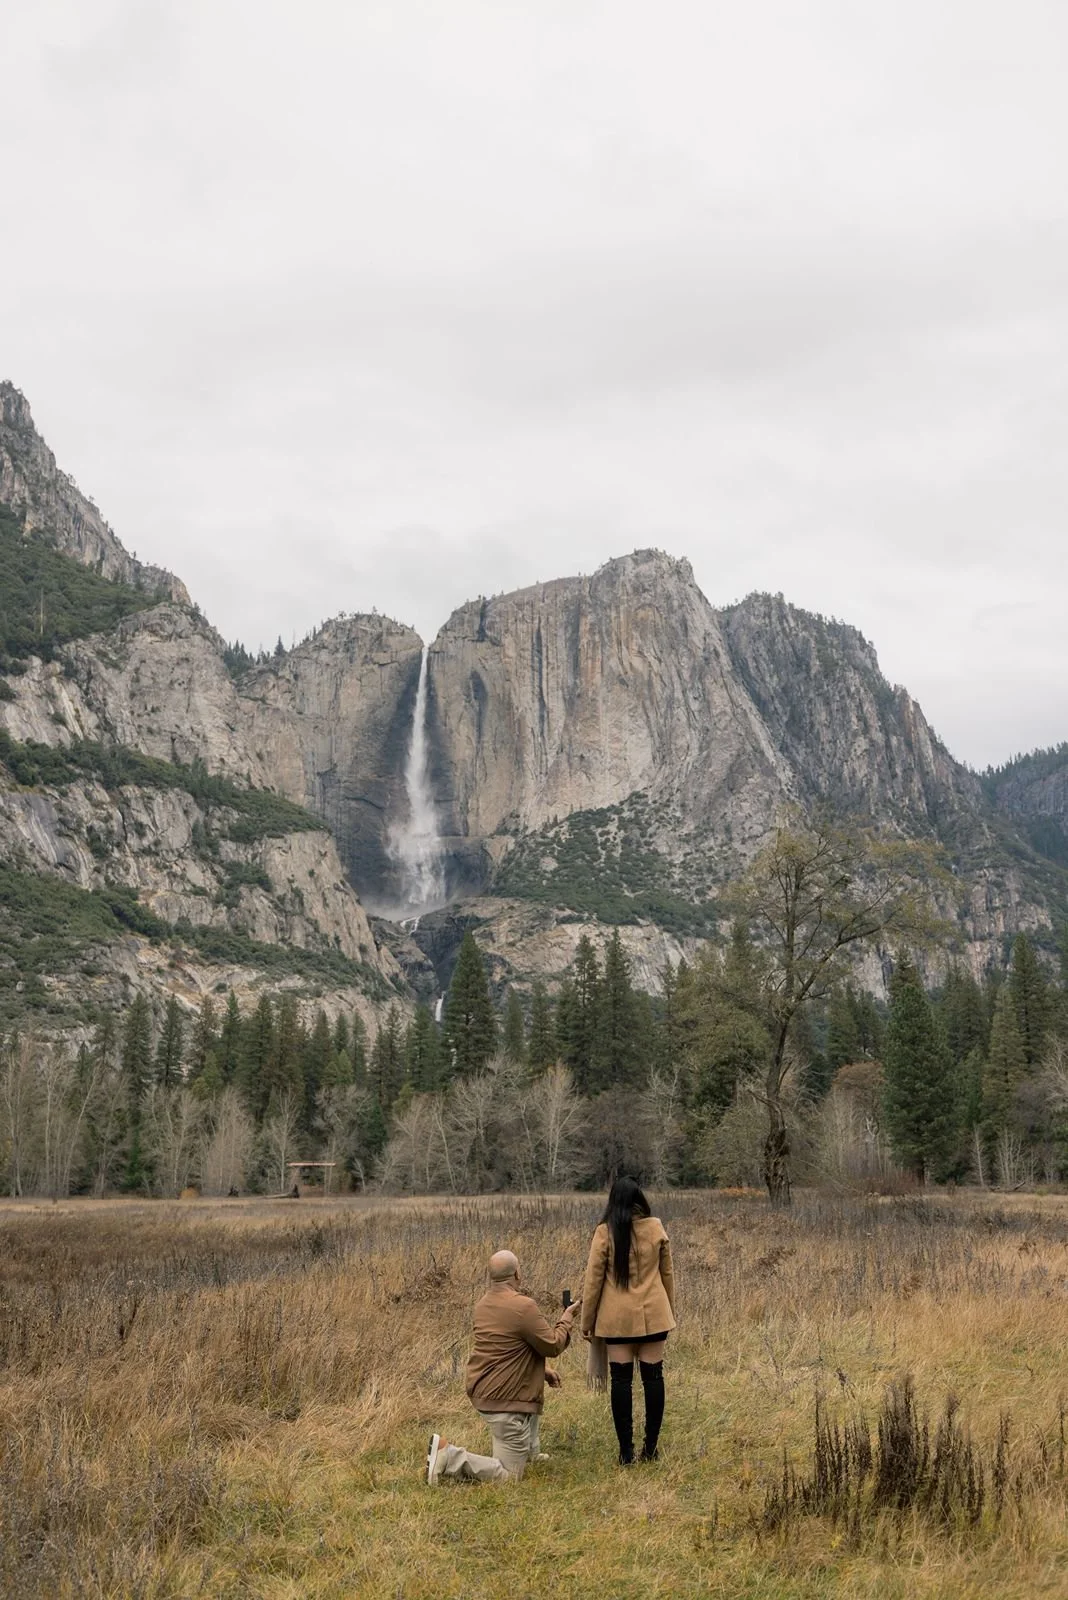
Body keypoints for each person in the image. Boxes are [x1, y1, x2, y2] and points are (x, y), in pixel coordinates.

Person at [426, 1248, 579, 1484]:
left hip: (484, 1392)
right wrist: (567, 1319)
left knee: (530, 1391)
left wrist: (542, 1371)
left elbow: (505, 1351)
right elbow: (552, 1346)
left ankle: (528, 1450)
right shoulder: (523, 1306)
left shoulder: (481, 1306)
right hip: (504, 1403)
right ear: (517, 1274)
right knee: (510, 1477)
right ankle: (450, 1457)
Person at [581, 1176, 676, 1465]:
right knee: (653, 1378)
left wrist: (587, 1321)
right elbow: (667, 1275)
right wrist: (668, 1310)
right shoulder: (656, 1227)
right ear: (639, 1199)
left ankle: (625, 1452)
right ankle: (650, 1448)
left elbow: (593, 1281)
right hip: (653, 1316)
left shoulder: (605, 1232)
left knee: (621, 1382)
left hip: (616, 1319)